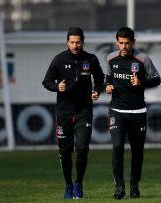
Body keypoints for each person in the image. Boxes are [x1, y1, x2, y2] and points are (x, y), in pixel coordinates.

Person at [42, 27, 104, 199]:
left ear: (82, 42)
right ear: (67, 42)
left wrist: (97, 91)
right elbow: (46, 81)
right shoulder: (59, 60)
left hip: (84, 112)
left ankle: (79, 183)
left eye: (78, 42)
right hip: (63, 113)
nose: (75, 45)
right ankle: (68, 184)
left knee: (82, 149)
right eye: (72, 42)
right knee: (65, 152)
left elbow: (100, 79)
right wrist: (57, 87)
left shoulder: (90, 59)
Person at [105, 27, 161, 199]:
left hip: (138, 111)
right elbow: (108, 80)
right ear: (117, 42)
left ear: (133, 42)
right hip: (117, 111)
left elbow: (156, 79)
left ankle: (134, 186)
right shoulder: (110, 58)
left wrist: (141, 82)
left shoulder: (143, 59)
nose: (124, 46)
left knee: (137, 151)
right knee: (117, 147)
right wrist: (107, 87)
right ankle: (119, 189)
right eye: (121, 43)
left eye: (127, 43)